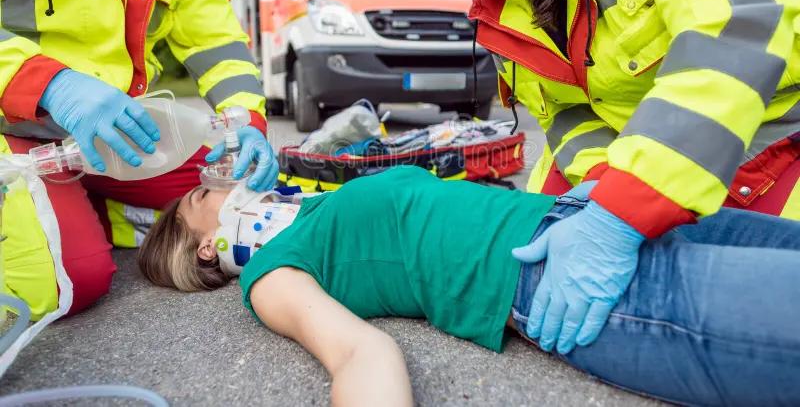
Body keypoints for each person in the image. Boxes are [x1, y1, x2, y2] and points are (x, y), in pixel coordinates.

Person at [411, 0, 800, 354]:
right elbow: (564, 112)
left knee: (758, 305)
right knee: (538, 255)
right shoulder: (503, 5)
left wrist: (619, 216)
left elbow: (734, 41)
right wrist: (599, 188)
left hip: (765, 146)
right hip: (626, 163)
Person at [138, 166, 800, 406]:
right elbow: (360, 355)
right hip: (557, 283)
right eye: (203, 195)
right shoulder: (269, 274)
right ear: (206, 245)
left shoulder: (310, 209)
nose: (219, 184)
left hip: (597, 220)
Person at [0, 0, 278, 321]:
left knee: (232, 191)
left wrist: (246, 117)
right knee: (71, 279)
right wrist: (50, 84)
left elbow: (214, 39)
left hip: (113, 131)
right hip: (14, 127)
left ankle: (87, 208)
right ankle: (66, 217)